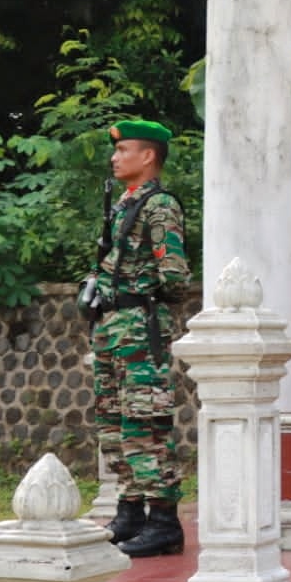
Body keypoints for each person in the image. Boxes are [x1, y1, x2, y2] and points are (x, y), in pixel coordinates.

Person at [88, 120, 192, 558]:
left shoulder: (159, 206)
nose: (115, 157)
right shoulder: (123, 204)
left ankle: (164, 520)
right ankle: (130, 510)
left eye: (124, 149)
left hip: (138, 324)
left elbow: (175, 276)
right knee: (113, 421)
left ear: (147, 156)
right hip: (112, 325)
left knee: (144, 420)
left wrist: (139, 296)